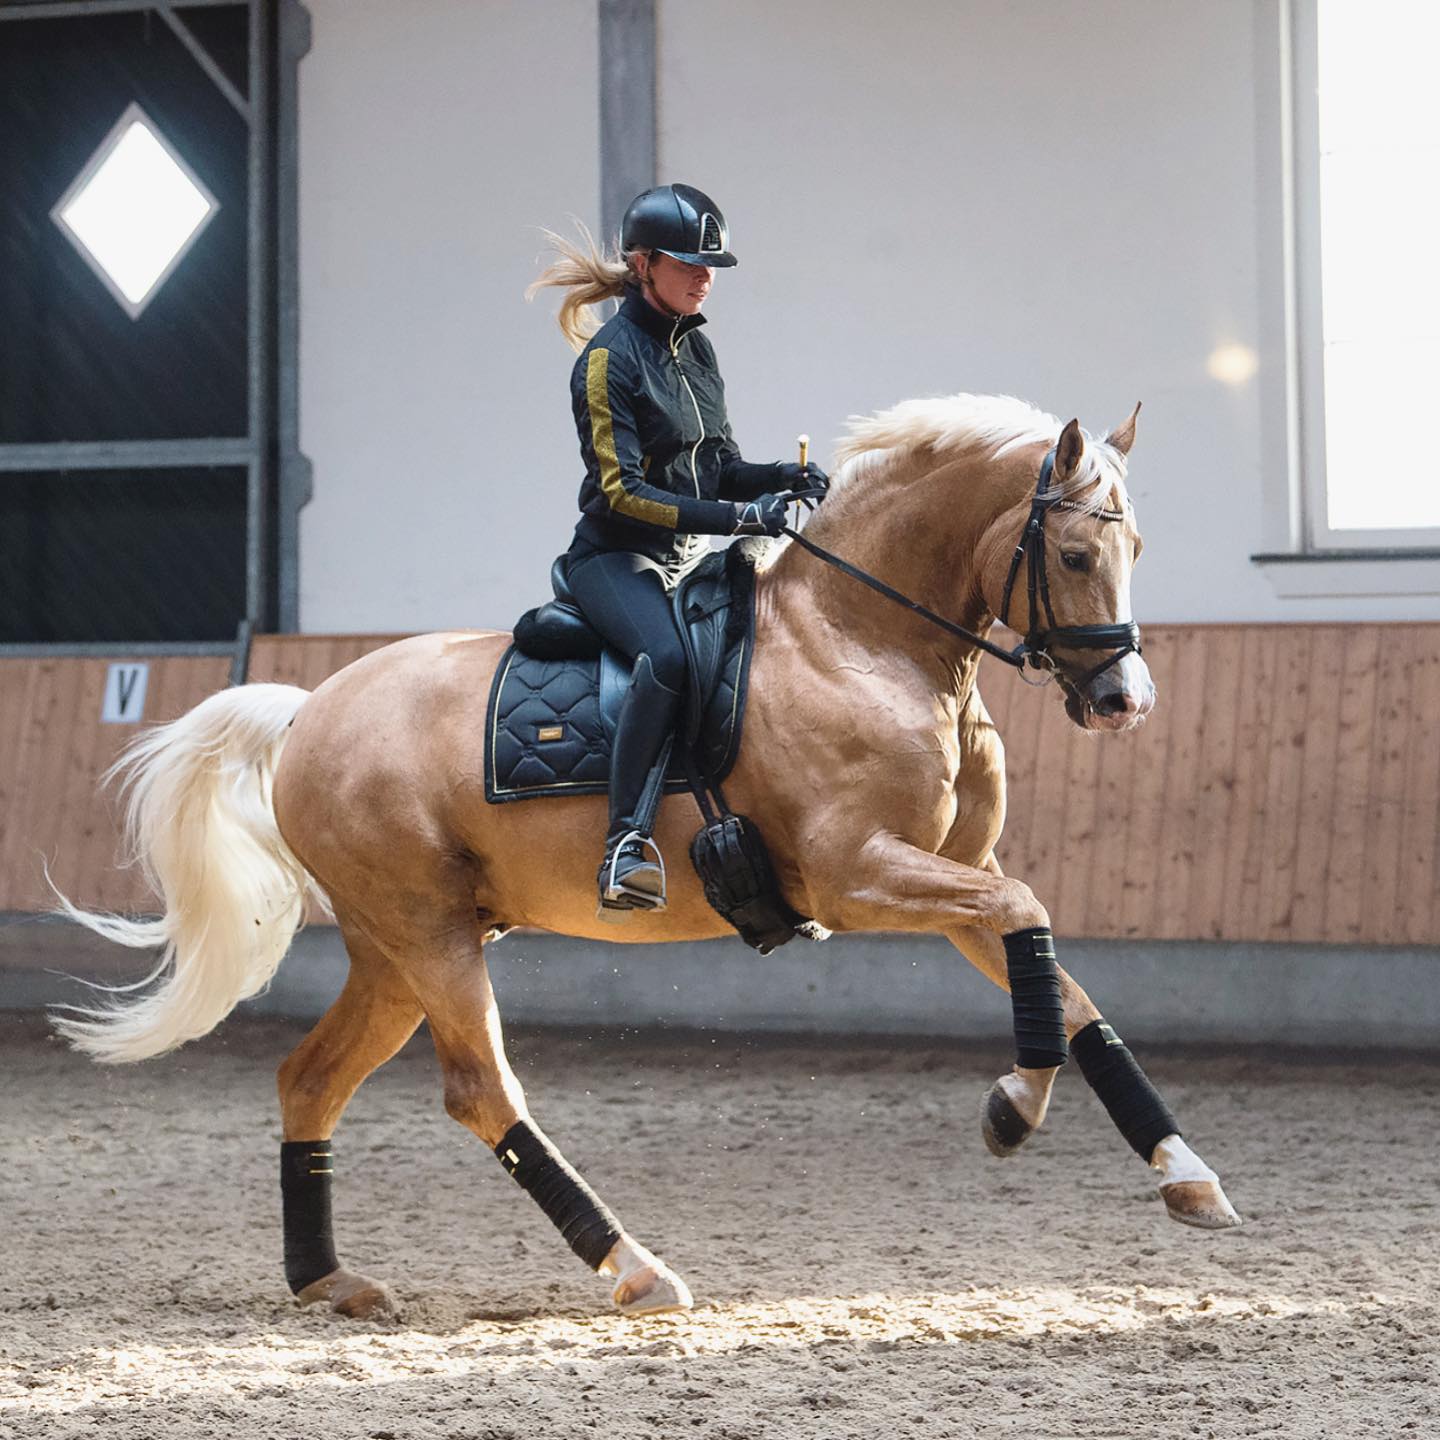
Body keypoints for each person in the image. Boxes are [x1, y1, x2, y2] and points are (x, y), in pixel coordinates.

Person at [529, 182, 827, 919]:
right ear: (642, 263)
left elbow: (717, 463)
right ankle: (625, 844)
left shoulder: (697, 347)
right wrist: (737, 514)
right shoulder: (606, 363)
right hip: (617, 558)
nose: (705, 276)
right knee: (663, 659)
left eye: (711, 264)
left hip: (690, 557)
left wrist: (778, 478)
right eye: (689, 263)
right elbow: (622, 491)